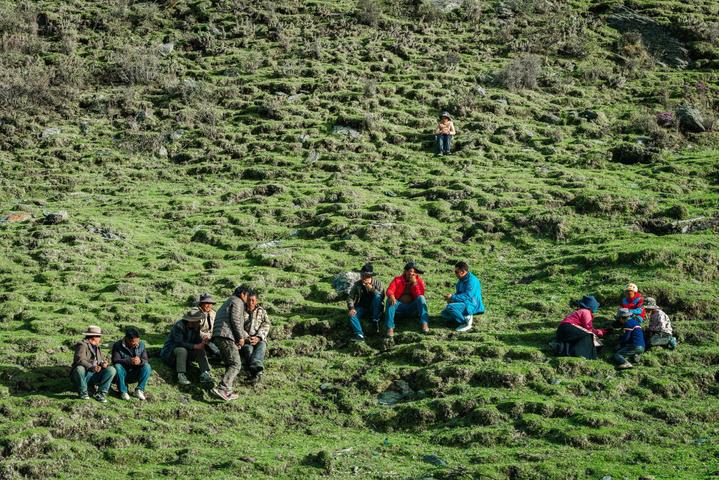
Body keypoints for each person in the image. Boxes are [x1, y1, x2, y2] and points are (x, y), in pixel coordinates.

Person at [210, 285, 250, 401]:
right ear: (243, 294)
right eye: (247, 296)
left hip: (220, 335)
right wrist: (240, 338)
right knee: (236, 364)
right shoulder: (238, 302)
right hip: (226, 335)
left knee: (229, 363)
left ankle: (228, 391)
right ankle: (223, 388)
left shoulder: (229, 301)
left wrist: (247, 336)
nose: (247, 299)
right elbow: (235, 320)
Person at [160, 309, 213, 387]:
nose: (199, 322)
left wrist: (203, 341)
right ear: (191, 321)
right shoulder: (179, 326)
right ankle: (181, 375)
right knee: (182, 350)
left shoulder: (196, 326)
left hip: (187, 352)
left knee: (200, 350)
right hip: (170, 352)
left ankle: (205, 373)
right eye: (198, 320)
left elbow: (197, 340)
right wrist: (195, 346)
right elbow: (179, 342)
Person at [70, 325, 116, 402]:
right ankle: (83, 391)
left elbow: (100, 360)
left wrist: (103, 363)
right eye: (99, 337)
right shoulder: (82, 345)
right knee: (79, 368)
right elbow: (80, 360)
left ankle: (101, 393)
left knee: (111, 369)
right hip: (84, 375)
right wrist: (92, 367)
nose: (100, 339)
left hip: (94, 375)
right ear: (94, 337)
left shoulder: (97, 347)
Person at [553, 295, 608, 359]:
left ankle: (562, 349)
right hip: (568, 327)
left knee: (584, 336)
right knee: (589, 336)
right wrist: (601, 332)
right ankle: (584, 355)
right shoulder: (586, 312)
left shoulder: (580, 311)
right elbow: (589, 329)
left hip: (562, 329)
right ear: (591, 307)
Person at [385, 261, 430, 337]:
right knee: (389, 300)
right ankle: (390, 327)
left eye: (414, 272)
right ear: (405, 271)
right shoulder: (397, 280)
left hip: (412, 308)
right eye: (411, 271)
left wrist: (415, 284)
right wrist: (392, 296)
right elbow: (389, 290)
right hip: (399, 307)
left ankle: (424, 324)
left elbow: (420, 295)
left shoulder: (419, 281)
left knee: (421, 298)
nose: (413, 274)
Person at [441, 261, 485, 332]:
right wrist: (452, 300)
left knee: (450, 307)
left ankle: (465, 323)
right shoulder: (460, 281)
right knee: (444, 313)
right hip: (464, 303)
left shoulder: (472, 280)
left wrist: (452, 297)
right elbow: (459, 294)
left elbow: (468, 295)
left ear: (462, 271)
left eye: (456, 272)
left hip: (471, 304)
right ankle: (462, 318)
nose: (455, 274)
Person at [111, 328, 152, 401]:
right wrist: (129, 361)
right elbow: (115, 360)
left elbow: (145, 360)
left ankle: (139, 390)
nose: (136, 343)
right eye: (134, 341)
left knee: (147, 366)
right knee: (117, 366)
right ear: (127, 339)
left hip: (134, 373)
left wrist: (140, 361)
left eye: (138, 340)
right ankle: (123, 391)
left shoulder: (141, 344)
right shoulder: (117, 345)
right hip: (121, 374)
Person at [347, 263, 384, 341]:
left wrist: (372, 289)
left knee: (377, 296)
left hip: (375, 308)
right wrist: (352, 308)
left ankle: (375, 320)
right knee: (352, 315)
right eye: (362, 275)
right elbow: (350, 297)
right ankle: (359, 335)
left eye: (365, 276)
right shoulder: (357, 284)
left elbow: (381, 297)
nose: (363, 277)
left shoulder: (378, 283)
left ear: (370, 276)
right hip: (362, 307)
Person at [241, 290, 271, 384]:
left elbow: (266, 324)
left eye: (253, 300)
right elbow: (237, 326)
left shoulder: (262, 311)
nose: (251, 302)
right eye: (249, 300)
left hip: (259, 339)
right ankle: (257, 373)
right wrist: (247, 337)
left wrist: (258, 337)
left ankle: (255, 365)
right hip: (246, 340)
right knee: (248, 350)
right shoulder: (240, 310)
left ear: (256, 301)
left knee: (262, 346)